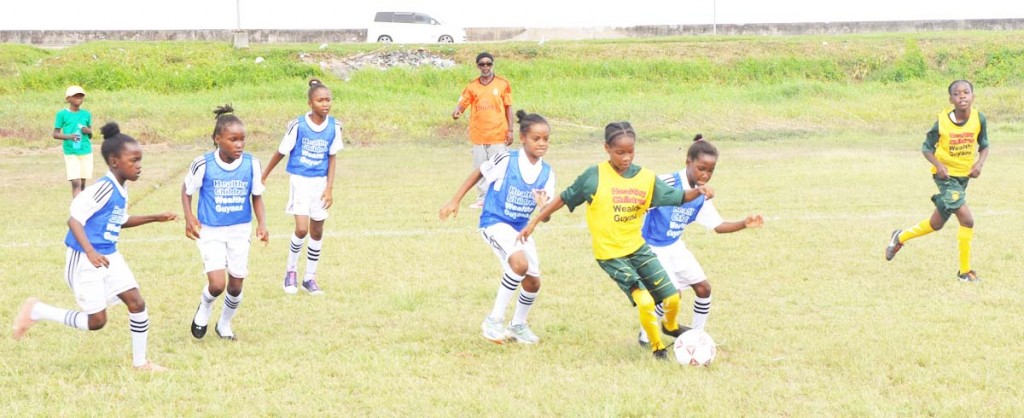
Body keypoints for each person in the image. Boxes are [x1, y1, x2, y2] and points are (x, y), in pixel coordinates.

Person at [516, 122, 711, 360]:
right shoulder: (594, 177)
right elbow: (564, 198)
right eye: (620, 152)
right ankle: (658, 348)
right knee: (646, 301)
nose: (626, 157)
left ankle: (670, 327)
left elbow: (678, 197)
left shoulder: (646, 178)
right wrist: (535, 221)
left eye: (631, 152)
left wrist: (699, 191)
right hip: (610, 254)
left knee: (671, 297)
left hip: (638, 249)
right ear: (607, 148)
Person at [12, 122, 177, 371]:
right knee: (96, 321)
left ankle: (141, 362)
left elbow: (119, 222)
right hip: (85, 258)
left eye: (140, 159)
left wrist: (155, 217)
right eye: (133, 160)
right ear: (114, 162)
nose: (139, 165)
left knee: (137, 303)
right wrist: (90, 252)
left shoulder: (122, 189)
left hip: (109, 255)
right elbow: (74, 219)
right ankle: (38, 310)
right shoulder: (103, 189)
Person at [636, 134, 763, 348]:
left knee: (704, 289)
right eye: (701, 168)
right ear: (688, 162)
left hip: (674, 246)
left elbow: (718, 226)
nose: (705, 175)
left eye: (710, 171)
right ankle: (646, 334)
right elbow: (639, 204)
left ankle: (697, 337)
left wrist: (744, 223)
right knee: (671, 294)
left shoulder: (702, 196)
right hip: (651, 248)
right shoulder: (667, 183)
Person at [440, 109, 555, 344]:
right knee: (519, 264)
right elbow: (478, 173)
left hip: (520, 228)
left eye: (545, 139)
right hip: (495, 222)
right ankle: (494, 320)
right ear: (522, 138)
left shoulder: (547, 173)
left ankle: (518, 326)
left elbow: (546, 216)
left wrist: (544, 208)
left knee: (533, 282)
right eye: (536, 138)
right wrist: (455, 200)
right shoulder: (506, 160)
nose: (541, 143)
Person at [885, 80, 990, 283]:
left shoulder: (979, 119)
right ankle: (965, 273)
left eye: (966, 92)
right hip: (945, 178)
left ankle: (900, 237)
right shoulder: (942, 122)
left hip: (963, 178)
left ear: (973, 96)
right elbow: (926, 147)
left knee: (936, 223)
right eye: (957, 94)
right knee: (967, 220)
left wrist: (980, 163)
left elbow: (984, 145)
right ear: (950, 99)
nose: (962, 96)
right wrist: (939, 165)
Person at [182, 105, 269, 341]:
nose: (239, 144)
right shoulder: (203, 164)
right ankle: (205, 307)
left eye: (242, 139)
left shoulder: (251, 164)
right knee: (217, 284)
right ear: (217, 139)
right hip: (211, 230)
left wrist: (262, 224)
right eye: (233, 139)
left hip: (240, 230)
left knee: (236, 286)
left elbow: (257, 196)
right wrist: (189, 217)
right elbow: (187, 189)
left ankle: (224, 324)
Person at [262, 79, 343, 295]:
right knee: (301, 228)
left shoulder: (334, 127)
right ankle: (290, 272)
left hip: (320, 183)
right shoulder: (298, 125)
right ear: (310, 103)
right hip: (300, 180)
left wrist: (329, 188)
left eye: (328, 100)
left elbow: (332, 158)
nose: (325, 104)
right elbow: (281, 152)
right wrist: (264, 175)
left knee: (317, 231)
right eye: (320, 100)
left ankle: (310, 278)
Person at [451, 52, 514, 209]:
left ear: (493, 64)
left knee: (499, 168)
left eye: (488, 64)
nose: (485, 67)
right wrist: (457, 111)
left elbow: (508, 107)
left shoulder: (502, 84)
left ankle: (499, 199)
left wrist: (511, 130)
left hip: (498, 134)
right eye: (482, 64)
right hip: (479, 134)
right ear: (477, 66)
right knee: (481, 168)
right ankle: (483, 198)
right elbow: (463, 103)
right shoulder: (472, 86)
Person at [52, 85, 94, 198]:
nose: (78, 98)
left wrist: (89, 131)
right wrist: (70, 137)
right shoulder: (62, 114)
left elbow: (90, 135)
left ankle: (82, 208)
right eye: (75, 96)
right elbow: (55, 134)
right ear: (68, 98)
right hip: (71, 151)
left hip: (85, 151)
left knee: (83, 183)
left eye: (81, 96)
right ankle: (76, 210)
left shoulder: (86, 114)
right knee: (76, 182)